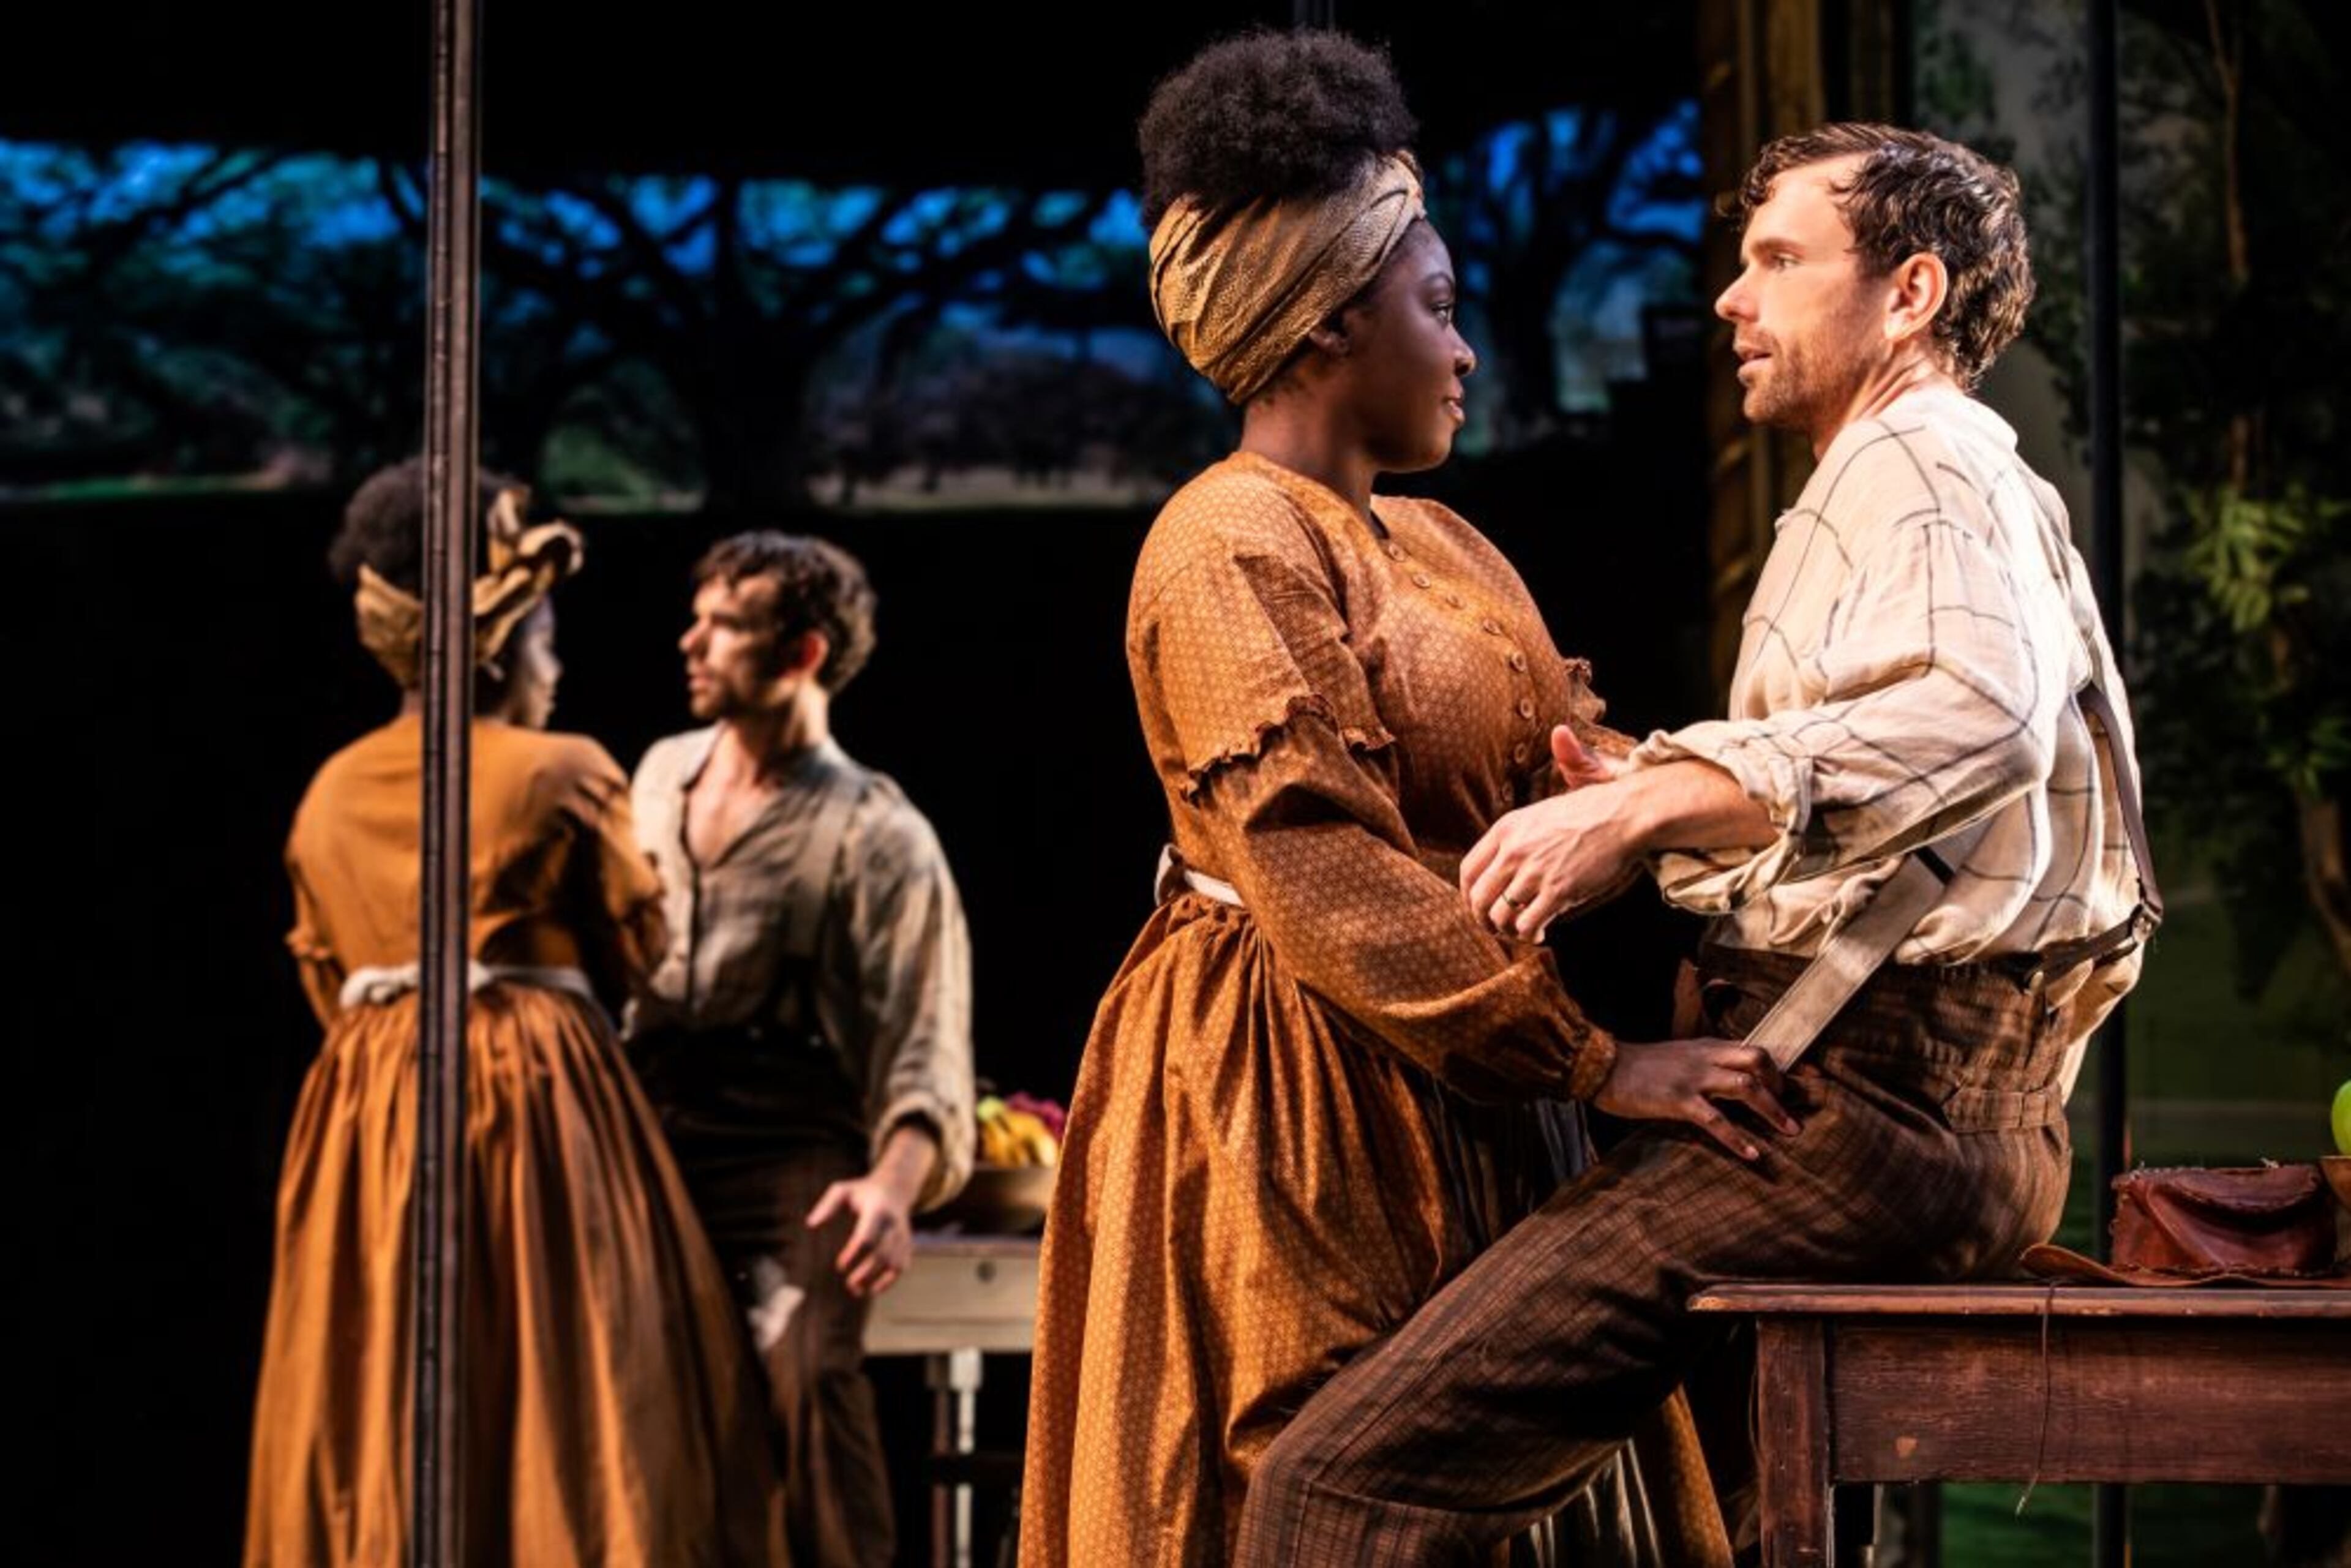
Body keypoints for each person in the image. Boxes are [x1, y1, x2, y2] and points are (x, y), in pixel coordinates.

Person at [1232, 122, 2154, 1564]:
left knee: (1342, 1484)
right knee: (1708, 1516)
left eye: (1780, 260)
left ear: (1910, 294)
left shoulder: (1914, 462)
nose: (1731, 298)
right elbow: (1906, 795)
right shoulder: (1944, 475)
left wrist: (1648, 806)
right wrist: (1665, 779)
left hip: (1865, 1124)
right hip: (1942, 1116)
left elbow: (1984, 717)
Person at [1021, 30, 1759, 1567]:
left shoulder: (1445, 547)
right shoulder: (1222, 543)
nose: (1466, 347)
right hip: (1292, 1087)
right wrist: (1591, 1059)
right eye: (1435, 308)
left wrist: (1696, 806)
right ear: (1319, 329)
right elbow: (1318, 866)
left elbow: (1574, 780)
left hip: (1472, 1084)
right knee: (1328, 1455)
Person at [243, 460, 784, 1568]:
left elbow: (322, 973)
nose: (557, 659)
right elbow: (637, 950)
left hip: (371, 1113)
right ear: (500, 645)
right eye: (544, 635)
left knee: (383, 1367)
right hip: (540, 1108)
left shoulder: (330, 791)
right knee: (570, 1371)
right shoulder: (563, 770)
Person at [626, 530, 975, 1568]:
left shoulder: (877, 830)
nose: (691, 642)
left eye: (724, 625)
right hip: (648, 1125)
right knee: (613, 1379)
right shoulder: (658, 776)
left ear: (802, 654)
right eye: (698, 616)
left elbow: (928, 1044)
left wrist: (891, 1187)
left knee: (809, 1376)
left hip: (790, 1139)